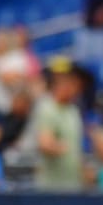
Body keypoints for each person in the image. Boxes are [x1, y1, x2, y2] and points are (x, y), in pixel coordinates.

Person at [32, 56, 84, 190]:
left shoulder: (73, 110)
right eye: (72, 83)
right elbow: (44, 143)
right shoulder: (47, 107)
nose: (76, 88)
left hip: (73, 184)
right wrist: (61, 148)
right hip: (51, 187)